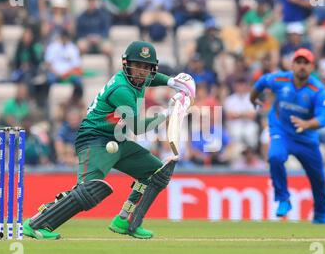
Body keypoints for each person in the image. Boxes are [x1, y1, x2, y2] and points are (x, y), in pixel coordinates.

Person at [22, 40, 196, 240]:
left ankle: (126, 221)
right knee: (88, 190)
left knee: (156, 173)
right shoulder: (122, 89)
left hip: (117, 139)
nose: (141, 71)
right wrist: (167, 113)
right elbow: (138, 127)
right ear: (126, 64)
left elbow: (152, 79)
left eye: (146, 67)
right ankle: (36, 223)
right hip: (94, 139)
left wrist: (172, 82)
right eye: (137, 65)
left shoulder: (139, 78)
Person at [250, 48, 325, 224]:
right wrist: (253, 98)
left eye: (306, 63)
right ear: (293, 65)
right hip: (281, 131)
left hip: (306, 137)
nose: (302, 66)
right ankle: (283, 198)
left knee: (317, 177)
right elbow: (261, 82)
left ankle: (321, 213)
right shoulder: (280, 79)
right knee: (275, 157)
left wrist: (307, 124)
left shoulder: (317, 89)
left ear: (312, 67)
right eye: (299, 62)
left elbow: (324, 117)